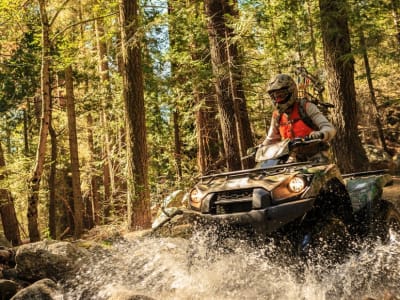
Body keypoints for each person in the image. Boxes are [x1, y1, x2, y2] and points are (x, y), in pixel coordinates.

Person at [262, 74, 336, 163]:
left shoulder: (306, 107)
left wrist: (320, 134)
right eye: (275, 97)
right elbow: (271, 139)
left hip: (315, 155)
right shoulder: (277, 115)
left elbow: (329, 128)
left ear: (291, 91)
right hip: (292, 158)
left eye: (281, 95)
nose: (278, 100)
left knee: (316, 174)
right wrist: (260, 148)